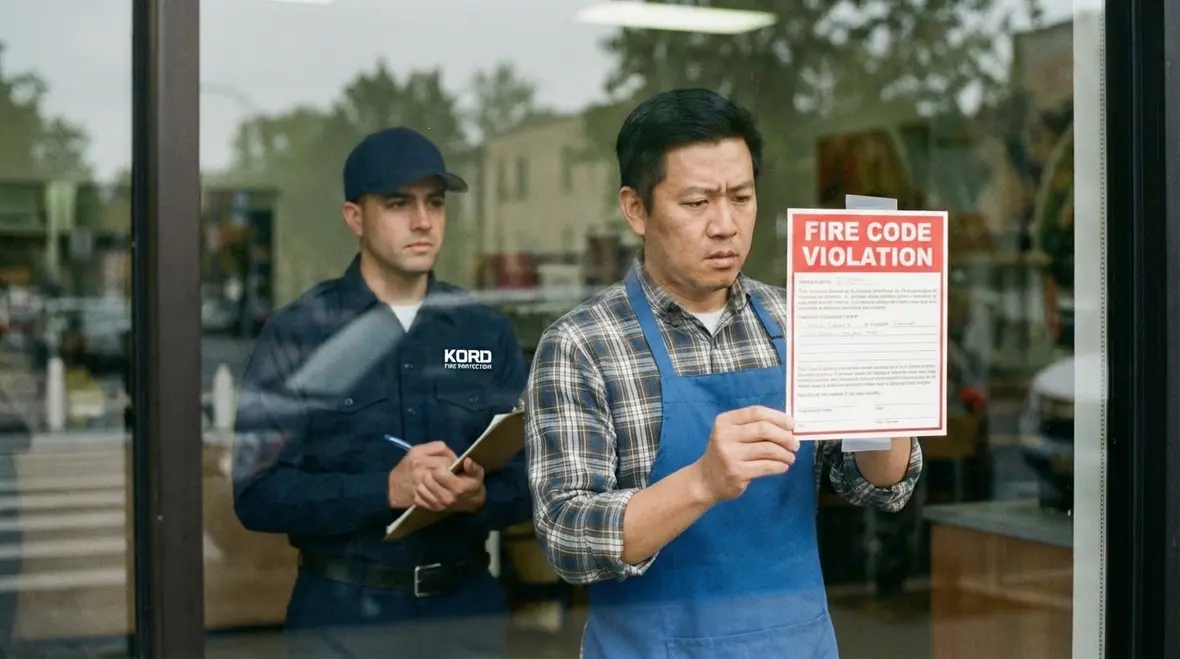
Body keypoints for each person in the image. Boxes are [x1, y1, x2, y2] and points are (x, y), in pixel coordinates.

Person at [524, 89, 924, 659]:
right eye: (695, 203)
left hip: (797, 645)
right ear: (636, 208)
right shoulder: (582, 346)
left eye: (741, 197)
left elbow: (877, 486)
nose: (725, 225)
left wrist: (887, 394)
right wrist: (702, 483)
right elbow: (567, 539)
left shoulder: (802, 318)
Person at [232, 126, 531, 659]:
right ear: (355, 217)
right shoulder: (300, 334)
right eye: (399, 203)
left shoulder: (483, 332)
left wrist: (481, 495)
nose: (423, 221)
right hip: (342, 621)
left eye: (434, 204)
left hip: (466, 616)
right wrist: (384, 490)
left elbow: (534, 478)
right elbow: (257, 496)